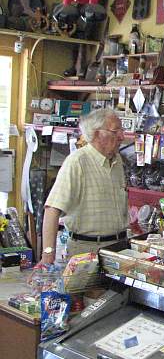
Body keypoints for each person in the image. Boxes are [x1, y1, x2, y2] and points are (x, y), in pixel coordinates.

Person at [39, 108, 128, 265]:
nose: (122, 137)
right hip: (87, 251)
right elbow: (52, 210)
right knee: (86, 290)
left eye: (122, 130)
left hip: (118, 248)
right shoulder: (77, 162)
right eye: (115, 131)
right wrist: (48, 256)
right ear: (95, 134)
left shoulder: (117, 161)